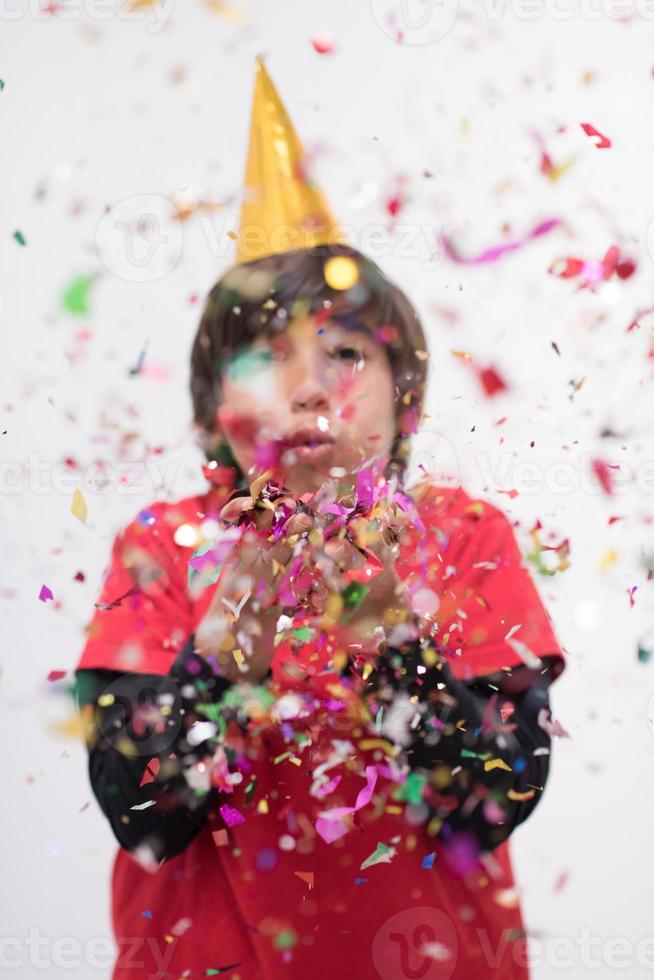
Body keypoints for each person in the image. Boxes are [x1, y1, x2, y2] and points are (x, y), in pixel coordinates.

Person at [75, 59, 566, 980]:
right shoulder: (160, 544)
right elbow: (144, 820)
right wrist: (236, 625)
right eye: (265, 355)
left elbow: (492, 804)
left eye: (343, 352)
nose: (306, 388)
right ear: (212, 402)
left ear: (403, 397)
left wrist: (391, 642)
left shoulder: (463, 537)